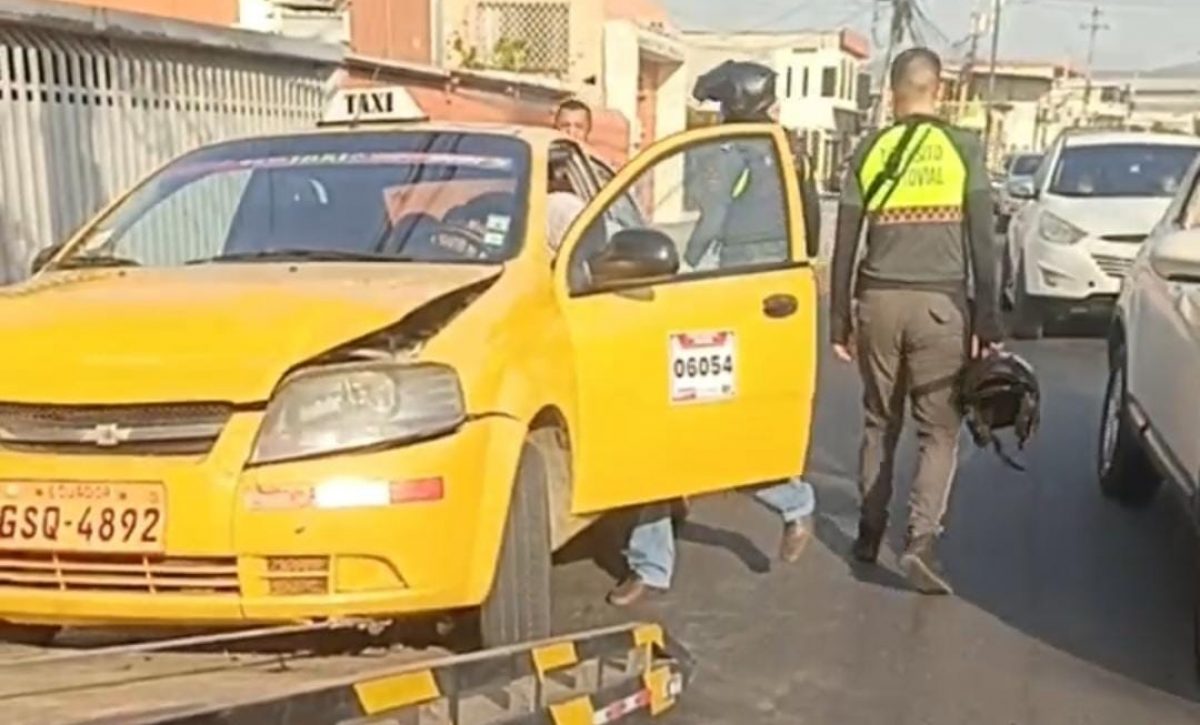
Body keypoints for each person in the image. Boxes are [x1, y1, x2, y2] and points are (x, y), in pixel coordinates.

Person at [607, 60, 822, 607]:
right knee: (714, 432)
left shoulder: (731, 149)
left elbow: (713, 220)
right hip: (766, 300)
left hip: (723, 297)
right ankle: (793, 502)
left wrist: (679, 273)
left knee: (676, 432)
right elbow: (812, 229)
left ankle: (653, 563)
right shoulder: (785, 150)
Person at [829, 47, 1004, 595]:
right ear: (940, 90)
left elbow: (844, 242)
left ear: (891, 93)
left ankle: (867, 531)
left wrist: (839, 318)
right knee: (939, 429)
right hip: (940, 309)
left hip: (877, 304)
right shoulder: (963, 149)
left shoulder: (870, 148)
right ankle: (921, 541)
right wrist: (988, 318)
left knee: (880, 422)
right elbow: (982, 239)